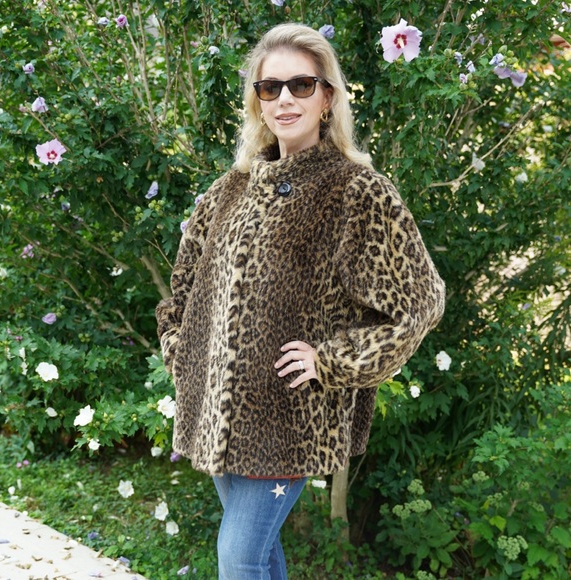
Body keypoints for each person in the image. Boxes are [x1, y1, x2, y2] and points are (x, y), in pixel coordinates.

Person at [155, 22, 445, 580]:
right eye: (271, 88)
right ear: (258, 103)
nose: (285, 98)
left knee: (238, 557)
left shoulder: (356, 190)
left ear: (327, 97)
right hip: (215, 409)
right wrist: (182, 353)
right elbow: (184, 286)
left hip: (290, 417)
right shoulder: (230, 189)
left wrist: (332, 361)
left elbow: (419, 302)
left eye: (301, 85)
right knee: (259, 555)